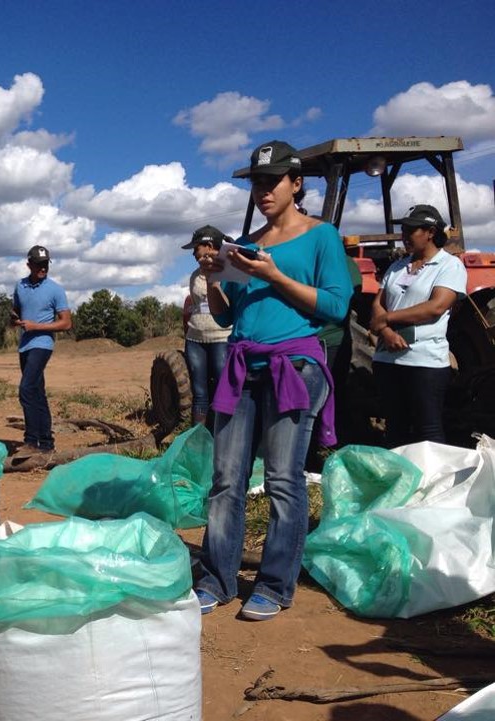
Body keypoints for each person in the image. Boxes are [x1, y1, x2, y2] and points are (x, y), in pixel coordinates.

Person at [194, 140, 352, 621]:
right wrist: (218, 279)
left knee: (284, 480)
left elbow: (335, 307)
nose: (263, 190)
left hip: (294, 368)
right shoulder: (247, 243)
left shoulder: (322, 237)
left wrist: (275, 274)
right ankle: (217, 579)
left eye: (272, 181)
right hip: (242, 367)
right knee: (225, 479)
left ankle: (274, 584)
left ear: (296, 183)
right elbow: (226, 317)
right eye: (257, 182)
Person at [370, 204, 466, 447]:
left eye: (411, 230)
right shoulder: (397, 266)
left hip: (424, 361)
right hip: (387, 359)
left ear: (430, 232)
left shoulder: (449, 266)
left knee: (428, 429)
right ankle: (399, 482)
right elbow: (378, 304)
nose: (404, 236)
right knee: (395, 427)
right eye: (403, 230)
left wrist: (387, 320)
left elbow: (436, 306)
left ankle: (434, 483)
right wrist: (386, 332)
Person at [11, 245, 72, 455]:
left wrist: (37, 327)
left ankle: (30, 441)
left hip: (43, 344)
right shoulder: (20, 286)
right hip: (24, 345)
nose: (43, 268)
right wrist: (15, 319)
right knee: (37, 393)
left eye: (45, 264)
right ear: (29, 265)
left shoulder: (55, 289)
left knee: (26, 389)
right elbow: (17, 311)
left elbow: (66, 323)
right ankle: (46, 444)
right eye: (38, 265)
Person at [183, 225, 233, 427]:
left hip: (221, 337)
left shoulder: (229, 271)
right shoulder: (195, 275)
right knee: (200, 392)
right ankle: (198, 439)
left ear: (209, 245)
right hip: (195, 339)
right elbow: (194, 305)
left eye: (196, 248)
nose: (194, 253)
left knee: (223, 387)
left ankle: (224, 434)